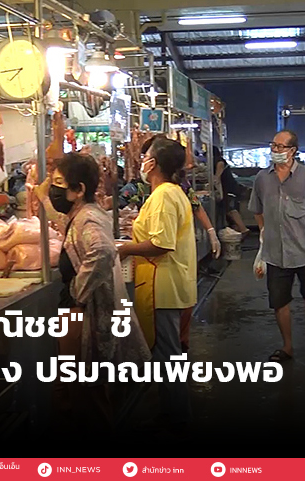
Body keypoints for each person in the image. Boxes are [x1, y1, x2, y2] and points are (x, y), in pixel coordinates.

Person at [35, 152, 150, 431]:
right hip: (76, 312)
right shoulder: (81, 214)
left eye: (59, 183)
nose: (54, 188)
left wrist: (79, 292)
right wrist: (45, 200)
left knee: (85, 391)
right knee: (72, 387)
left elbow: (102, 251)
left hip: (82, 314)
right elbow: (67, 226)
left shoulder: (87, 218)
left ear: (79, 190)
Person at [117, 137, 196, 422]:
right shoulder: (170, 192)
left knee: (168, 353)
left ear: (155, 163)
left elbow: (162, 244)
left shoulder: (164, 196)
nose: (142, 161)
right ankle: (174, 409)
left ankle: (177, 416)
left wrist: (125, 249)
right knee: (167, 351)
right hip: (167, 281)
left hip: (163, 285)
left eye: (145, 156)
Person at [249, 130, 305, 362]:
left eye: (280, 146)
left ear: (292, 150)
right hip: (275, 252)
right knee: (279, 300)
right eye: (273, 145)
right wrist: (263, 232)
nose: (275, 150)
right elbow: (256, 209)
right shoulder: (262, 178)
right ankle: (287, 346)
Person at [175, 165, 220, 353]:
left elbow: (196, 205)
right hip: (165, 249)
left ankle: (181, 341)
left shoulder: (182, 184)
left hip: (182, 246)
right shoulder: (141, 185)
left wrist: (211, 231)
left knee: (186, 294)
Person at [213, 146, 249, 234]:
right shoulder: (219, 161)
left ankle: (243, 229)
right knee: (227, 209)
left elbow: (217, 177)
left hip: (229, 188)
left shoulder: (219, 161)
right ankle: (238, 230)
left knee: (230, 209)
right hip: (227, 188)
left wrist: (215, 182)